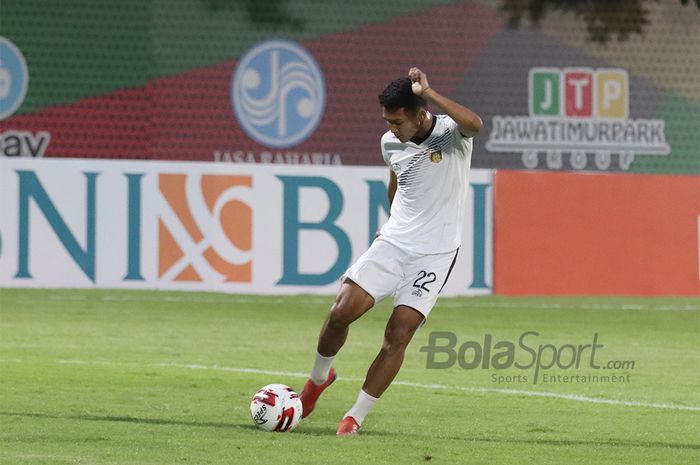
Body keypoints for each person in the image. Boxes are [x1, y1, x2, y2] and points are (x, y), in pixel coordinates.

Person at [299, 67, 483, 435]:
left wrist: (429, 91)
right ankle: (318, 380)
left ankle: (355, 416)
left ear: (419, 114)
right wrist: (393, 221)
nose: (392, 129)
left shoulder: (452, 133)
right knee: (340, 312)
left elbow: (476, 123)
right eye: (387, 121)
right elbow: (397, 183)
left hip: (435, 254)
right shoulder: (390, 143)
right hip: (395, 243)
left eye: (398, 121)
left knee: (398, 334)